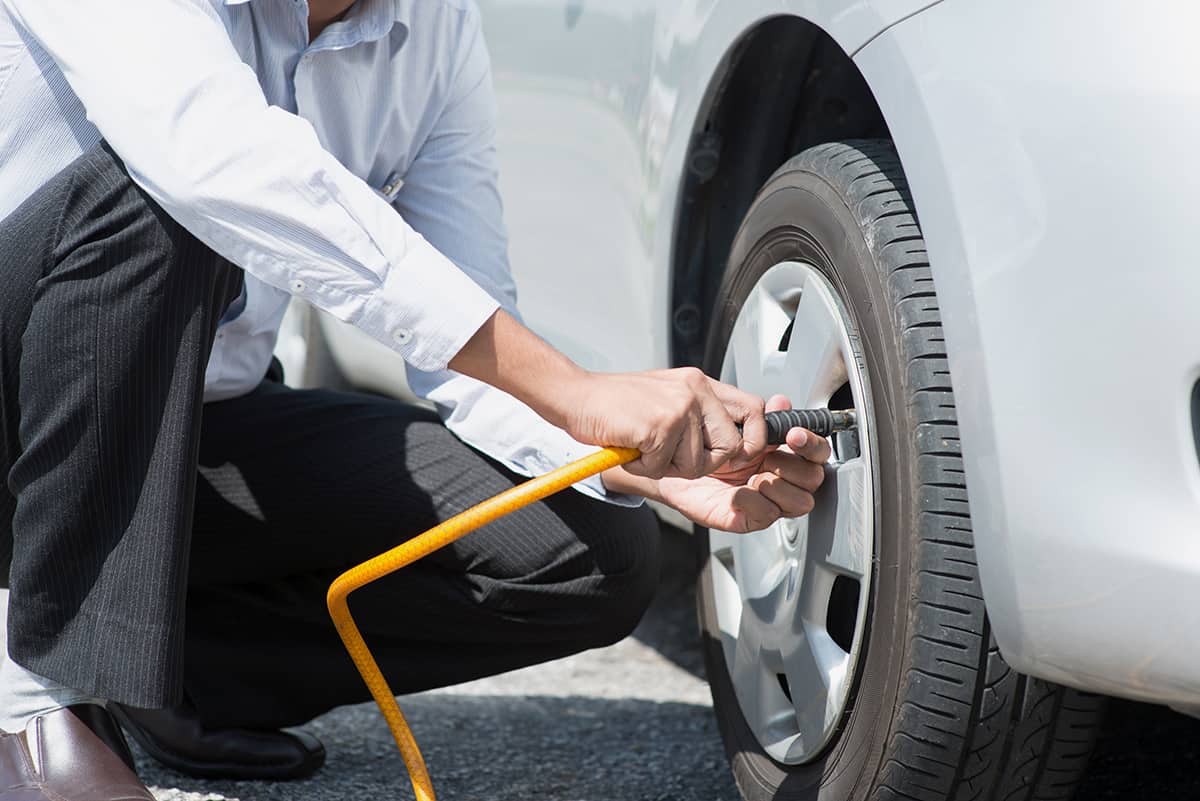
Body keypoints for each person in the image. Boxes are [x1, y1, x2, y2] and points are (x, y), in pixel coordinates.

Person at [0, 0, 830, 797]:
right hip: (17, 418)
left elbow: (471, 341)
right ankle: (32, 710)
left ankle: (158, 673)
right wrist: (574, 389)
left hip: (167, 441)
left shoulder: (433, 29)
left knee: (590, 547)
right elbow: (210, 160)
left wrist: (644, 468)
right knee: (161, 199)